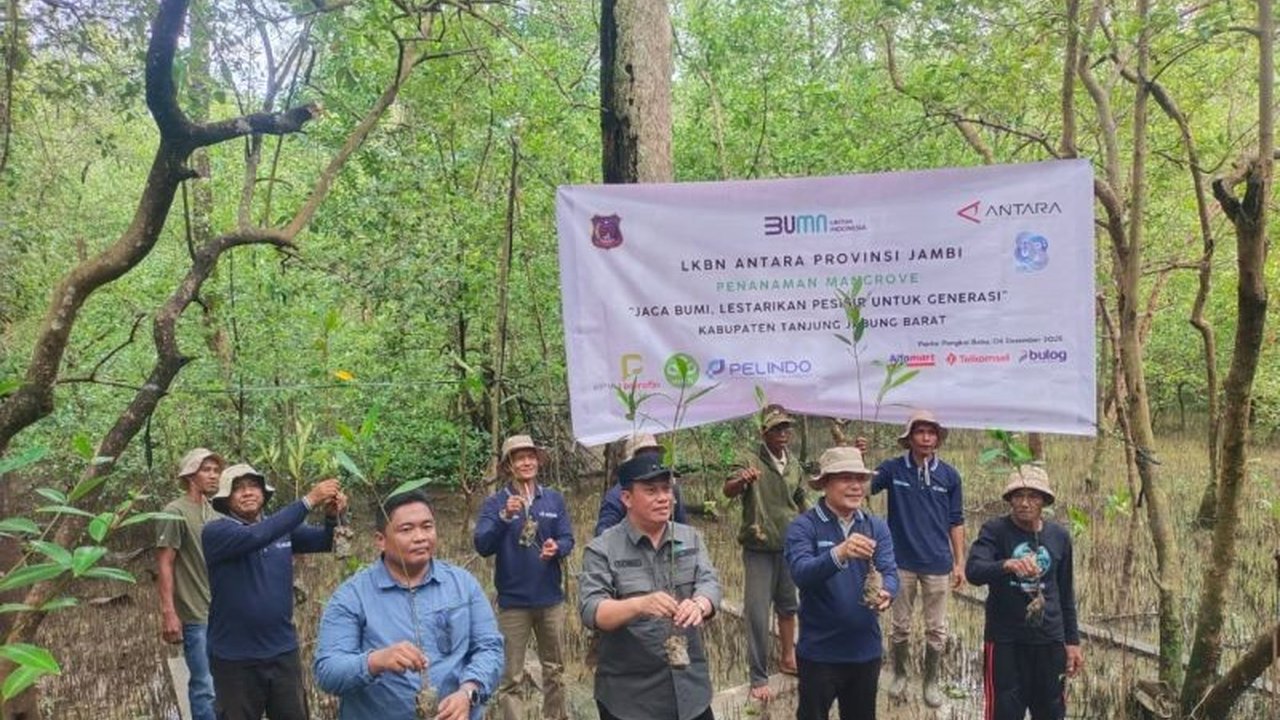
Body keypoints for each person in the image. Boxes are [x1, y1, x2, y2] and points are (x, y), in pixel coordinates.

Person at [314, 490, 504, 720]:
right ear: (380, 541)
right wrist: (376, 660)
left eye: (427, 526)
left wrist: (468, 692)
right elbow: (327, 672)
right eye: (407, 529)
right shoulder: (352, 596)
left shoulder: (463, 584)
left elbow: (490, 649)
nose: (420, 537)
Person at [579, 454, 722, 720]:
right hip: (631, 699)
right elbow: (592, 611)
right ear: (627, 498)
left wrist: (701, 603)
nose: (663, 498)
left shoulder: (689, 537)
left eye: (667, 489)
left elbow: (709, 581)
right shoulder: (603, 549)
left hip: (690, 693)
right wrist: (639, 604)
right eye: (651, 490)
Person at [202, 463, 346, 720]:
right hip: (235, 659)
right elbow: (257, 536)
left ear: (263, 493)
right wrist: (308, 500)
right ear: (225, 499)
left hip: (282, 652)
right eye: (238, 489)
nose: (247, 493)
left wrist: (331, 517)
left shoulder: (281, 530)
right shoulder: (216, 532)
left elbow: (325, 541)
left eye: (253, 486)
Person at [785, 446, 899, 720]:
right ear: (825, 483)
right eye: (845, 478)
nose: (855, 486)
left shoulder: (875, 526)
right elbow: (801, 573)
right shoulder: (804, 526)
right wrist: (840, 553)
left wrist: (887, 591)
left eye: (860, 479)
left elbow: (890, 570)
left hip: (865, 651)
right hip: (819, 652)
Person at [966, 466, 1084, 720]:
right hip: (1006, 640)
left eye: (1033, 497)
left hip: (1049, 640)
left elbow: (1065, 593)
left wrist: (1072, 642)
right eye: (1018, 496)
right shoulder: (995, 531)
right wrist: (1006, 565)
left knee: (1051, 710)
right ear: (1010, 499)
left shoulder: (1059, 536)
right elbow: (973, 571)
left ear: (1044, 501)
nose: (1025, 503)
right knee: (1004, 712)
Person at [473, 434, 575, 720]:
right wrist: (505, 517)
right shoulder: (496, 503)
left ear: (538, 462)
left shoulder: (553, 498)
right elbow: (482, 545)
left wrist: (558, 548)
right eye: (520, 458)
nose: (527, 462)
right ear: (509, 466)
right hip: (513, 603)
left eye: (531, 456)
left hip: (550, 599)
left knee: (554, 669)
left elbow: (568, 537)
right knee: (511, 677)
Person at [871, 410, 965, 706]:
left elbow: (956, 520)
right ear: (909, 438)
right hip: (900, 562)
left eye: (931, 432)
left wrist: (959, 562)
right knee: (900, 625)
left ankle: (931, 681)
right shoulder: (893, 469)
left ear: (938, 438)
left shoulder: (949, 476)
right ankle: (900, 674)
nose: (926, 437)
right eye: (920, 432)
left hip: (937, 563)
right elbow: (861, 488)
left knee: (936, 628)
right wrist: (855, 455)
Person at [721, 404, 804, 700]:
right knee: (756, 612)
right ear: (763, 432)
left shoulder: (793, 463)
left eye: (786, 428)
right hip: (758, 547)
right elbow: (728, 490)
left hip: (789, 545)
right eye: (777, 429)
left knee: (788, 606)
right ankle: (757, 676)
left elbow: (800, 500)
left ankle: (787, 657)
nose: (783, 434)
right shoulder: (749, 459)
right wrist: (742, 480)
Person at [155, 447, 224, 720]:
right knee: (204, 685)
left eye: (216, 470)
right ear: (190, 475)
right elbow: (165, 563)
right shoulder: (173, 511)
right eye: (206, 470)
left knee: (224, 682)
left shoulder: (216, 514)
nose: (213, 475)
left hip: (223, 614)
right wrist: (169, 613)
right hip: (195, 614)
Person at [594, 432, 688, 536]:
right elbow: (603, 534)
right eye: (644, 454)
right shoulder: (616, 497)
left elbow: (682, 530)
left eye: (654, 453)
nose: (650, 459)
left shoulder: (672, 490)